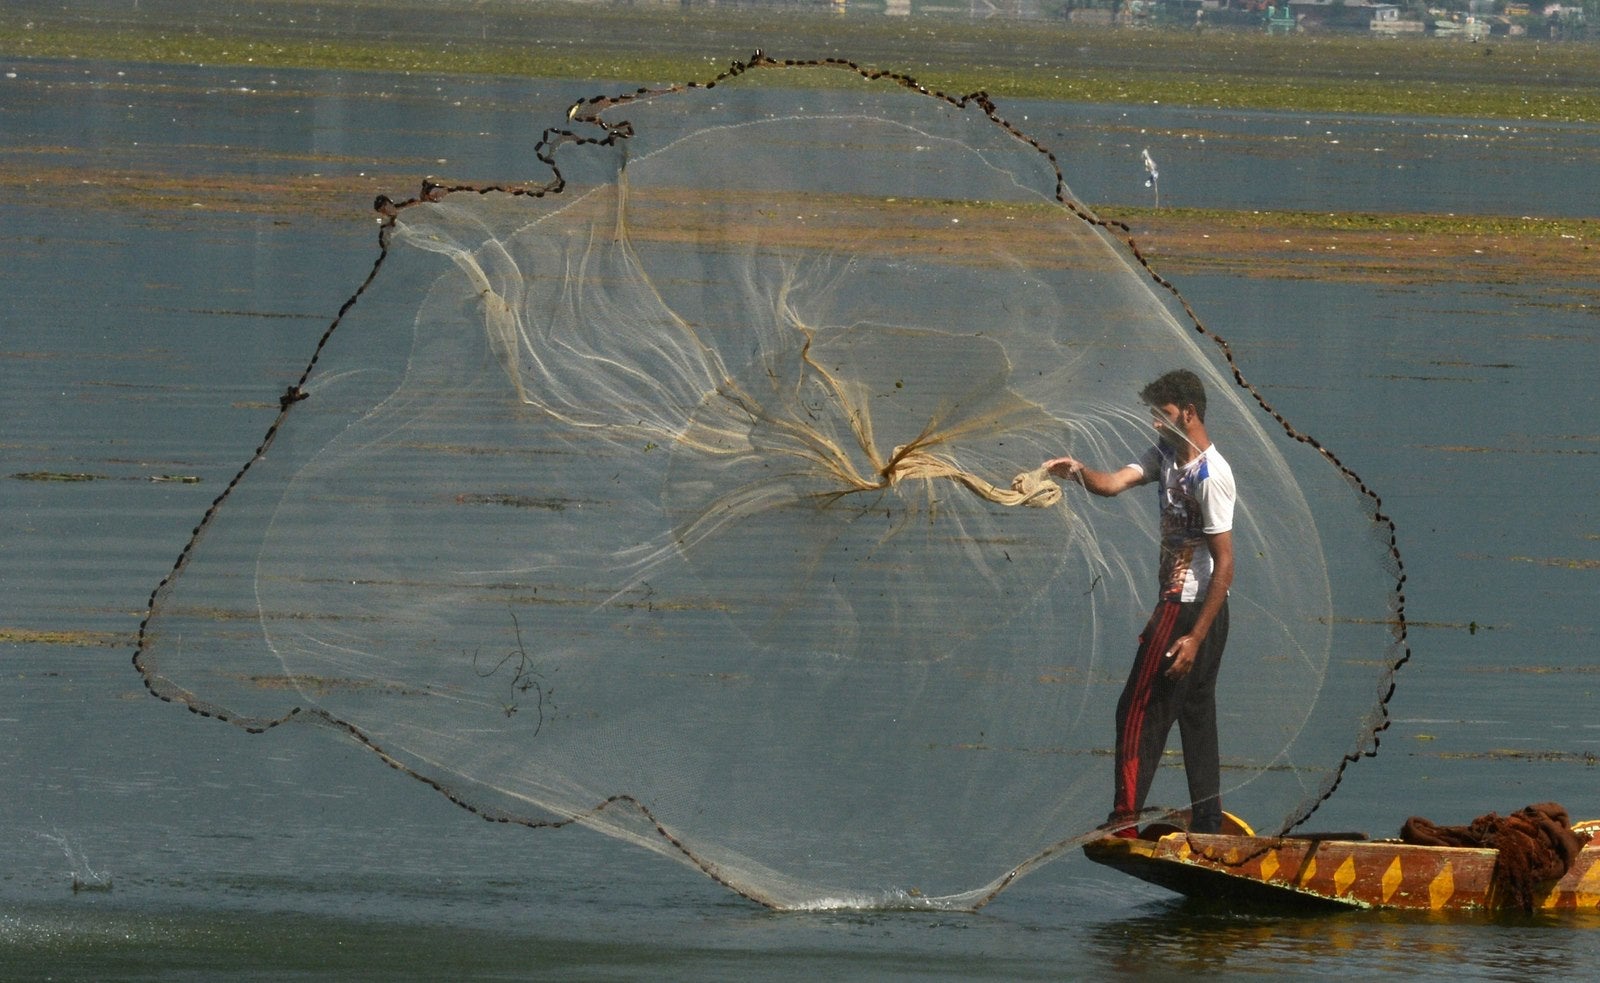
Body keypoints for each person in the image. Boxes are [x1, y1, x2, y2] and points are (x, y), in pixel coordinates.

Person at [1043, 369, 1236, 836]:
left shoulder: (1211, 475)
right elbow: (1112, 484)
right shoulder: (1168, 455)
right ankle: (1208, 823)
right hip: (1193, 615)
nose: (1155, 424)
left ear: (1189, 413)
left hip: (1190, 611)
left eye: (1164, 415)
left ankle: (1123, 822)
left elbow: (1226, 563)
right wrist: (1077, 472)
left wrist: (1193, 637)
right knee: (1194, 714)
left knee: (1137, 709)